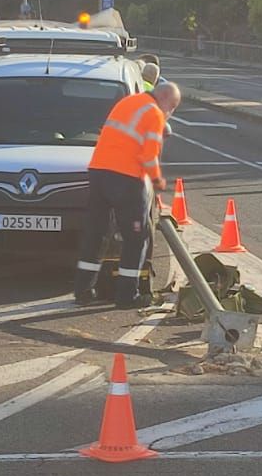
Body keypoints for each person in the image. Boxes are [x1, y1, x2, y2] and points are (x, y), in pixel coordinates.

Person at [74, 80, 182, 309]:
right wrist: (157, 180)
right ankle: (126, 296)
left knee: (97, 233)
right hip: (126, 177)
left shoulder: (129, 102)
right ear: (163, 99)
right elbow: (149, 155)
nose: (171, 112)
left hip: (99, 171)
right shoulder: (154, 113)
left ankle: (83, 291)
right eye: (172, 106)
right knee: (136, 237)